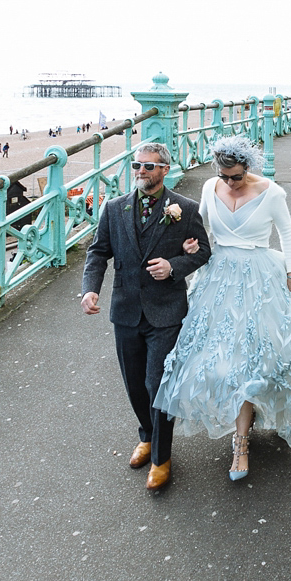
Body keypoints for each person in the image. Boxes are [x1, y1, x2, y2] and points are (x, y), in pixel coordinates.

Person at [155, 136, 291, 482]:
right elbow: (201, 231)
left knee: (263, 359)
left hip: (261, 280)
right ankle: (241, 433)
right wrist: (190, 243)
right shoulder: (211, 187)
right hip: (219, 279)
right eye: (224, 176)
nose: (229, 183)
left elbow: (288, 235)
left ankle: (242, 441)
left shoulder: (272, 193)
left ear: (248, 168)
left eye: (236, 176)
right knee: (216, 361)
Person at [81, 143, 212, 491]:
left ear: (164, 169)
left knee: (158, 384)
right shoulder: (113, 209)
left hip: (166, 311)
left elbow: (204, 252)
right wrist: (90, 289)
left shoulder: (184, 209)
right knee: (135, 384)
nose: (141, 170)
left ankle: (161, 457)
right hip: (125, 309)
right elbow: (98, 253)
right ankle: (147, 434)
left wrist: (174, 266)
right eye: (136, 164)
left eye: (149, 166)